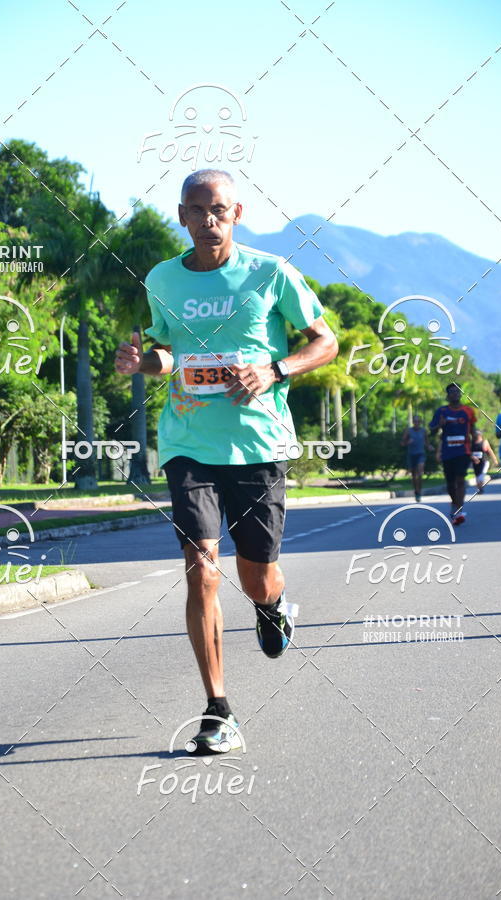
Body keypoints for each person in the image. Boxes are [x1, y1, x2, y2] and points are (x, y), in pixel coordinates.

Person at [115, 169, 338, 752]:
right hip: (188, 441)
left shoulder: (271, 273)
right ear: (182, 215)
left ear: (237, 213)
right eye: (197, 210)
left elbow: (326, 341)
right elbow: (167, 351)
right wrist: (144, 364)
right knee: (202, 569)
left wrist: (274, 368)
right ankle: (218, 711)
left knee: (255, 576)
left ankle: (271, 607)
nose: (209, 220)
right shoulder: (163, 278)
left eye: (219, 210)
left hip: (257, 446)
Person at [429, 383, 477, 525]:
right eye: (452, 392)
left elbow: (473, 430)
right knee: (450, 484)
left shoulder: (468, 411)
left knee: (460, 480)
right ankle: (454, 505)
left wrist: (475, 449)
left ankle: (459, 511)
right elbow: (431, 430)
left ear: (460, 394)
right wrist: (440, 425)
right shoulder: (441, 411)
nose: (455, 394)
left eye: (457, 391)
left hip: (464, 451)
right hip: (447, 452)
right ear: (447, 395)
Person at [400, 415, 429, 501]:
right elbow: (402, 443)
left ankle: (419, 491)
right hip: (411, 455)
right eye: (415, 422)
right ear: (413, 422)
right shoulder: (408, 431)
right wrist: (407, 442)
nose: (416, 423)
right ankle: (416, 492)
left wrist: (429, 447)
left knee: (420, 473)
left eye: (418, 422)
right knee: (414, 476)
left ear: (420, 422)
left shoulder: (424, 431)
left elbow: (427, 442)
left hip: (421, 454)